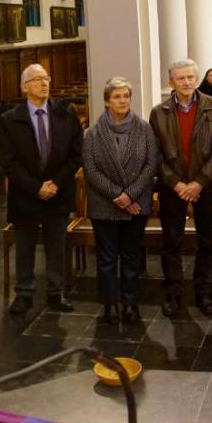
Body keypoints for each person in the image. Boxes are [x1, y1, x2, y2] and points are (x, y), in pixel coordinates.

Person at [0, 64, 83, 315]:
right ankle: (23, 293)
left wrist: (55, 183)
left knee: (57, 245)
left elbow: (76, 154)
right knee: (25, 246)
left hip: (59, 191)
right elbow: (8, 162)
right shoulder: (10, 119)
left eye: (46, 78)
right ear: (24, 87)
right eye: (37, 80)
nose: (44, 83)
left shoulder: (65, 112)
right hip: (26, 195)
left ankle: (57, 292)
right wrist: (36, 187)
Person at [151, 59, 212, 317]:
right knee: (171, 242)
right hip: (172, 186)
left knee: (206, 241)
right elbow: (155, 154)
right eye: (181, 78)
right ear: (170, 82)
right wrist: (176, 183)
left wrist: (199, 182)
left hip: (205, 186)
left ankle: (204, 291)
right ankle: (174, 293)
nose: (186, 82)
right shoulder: (159, 112)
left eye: (190, 77)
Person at [84, 78, 160, 325]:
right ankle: (108, 304)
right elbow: (91, 170)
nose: (122, 101)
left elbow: (150, 165)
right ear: (106, 101)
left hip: (135, 203)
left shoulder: (144, 128)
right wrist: (118, 195)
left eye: (126, 96)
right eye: (116, 97)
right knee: (106, 259)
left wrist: (130, 196)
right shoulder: (93, 133)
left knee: (131, 257)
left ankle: (130, 303)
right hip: (105, 204)